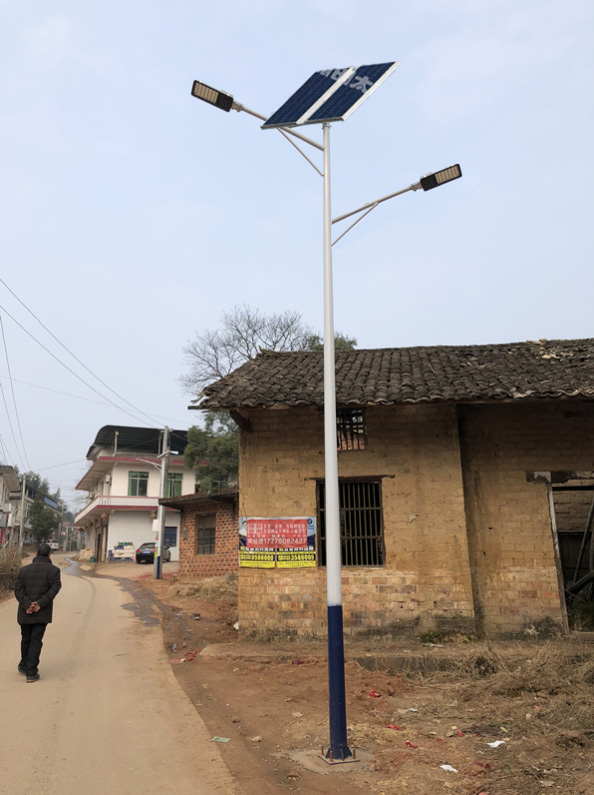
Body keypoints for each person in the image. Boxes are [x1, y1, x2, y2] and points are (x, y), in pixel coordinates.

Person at [14, 543, 62, 683]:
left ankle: (24, 666)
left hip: (25, 612)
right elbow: (54, 589)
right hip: (42, 613)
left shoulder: (23, 571)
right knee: (36, 640)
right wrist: (39, 604)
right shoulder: (54, 571)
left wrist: (27, 604)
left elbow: (17, 590)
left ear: (36, 554)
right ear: (49, 555)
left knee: (26, 639)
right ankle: (31, 671)